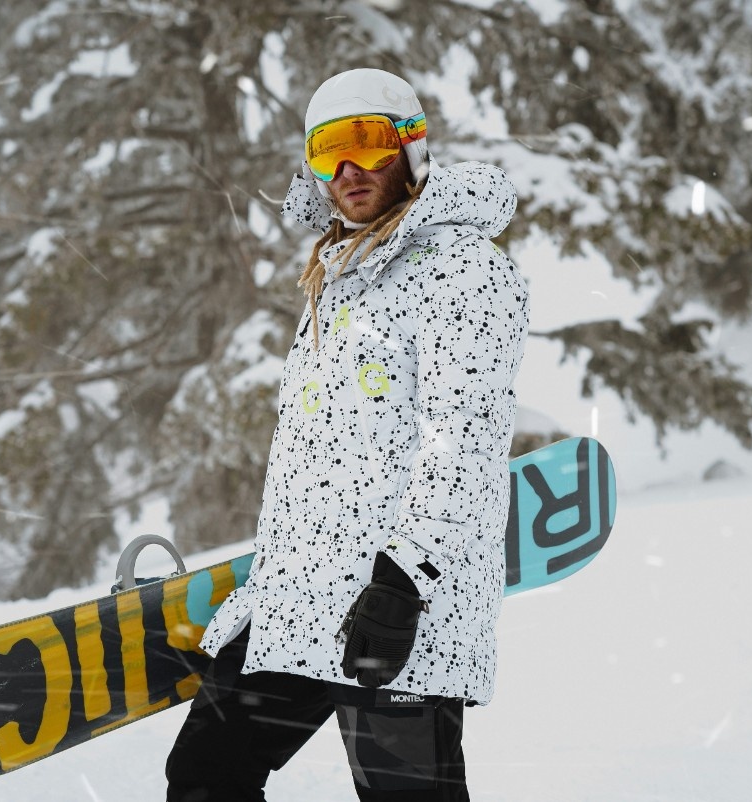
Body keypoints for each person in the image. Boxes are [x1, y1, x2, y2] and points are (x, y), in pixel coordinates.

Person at [165, 67, 529, 802]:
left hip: (401, 611)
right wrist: (268, 596)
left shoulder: (464, 269)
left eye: (367, 142)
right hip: (304, 604)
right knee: (206, 776)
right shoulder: (337, 272)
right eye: (330, 151)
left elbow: (466, 443)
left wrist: (403, 582)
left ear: (412, 148)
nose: (350, 169)